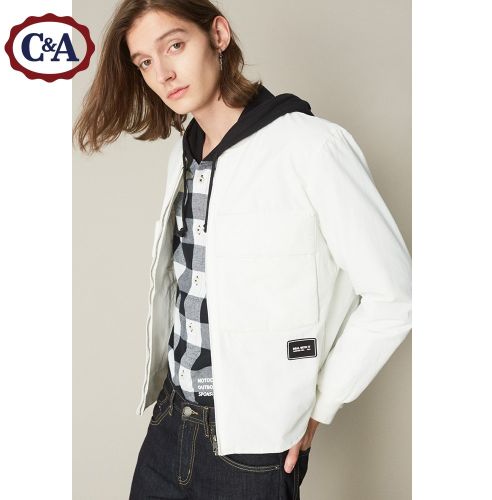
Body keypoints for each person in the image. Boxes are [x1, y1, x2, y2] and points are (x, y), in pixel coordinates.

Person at [73, 1, 412, 498]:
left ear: (218, 35)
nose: (163, 73)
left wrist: (323, 404)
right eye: (144, 61)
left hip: (252, 448)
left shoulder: (311, 147)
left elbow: (395, 295)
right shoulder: (184, 153)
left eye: (174, 45)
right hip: (170, 423)